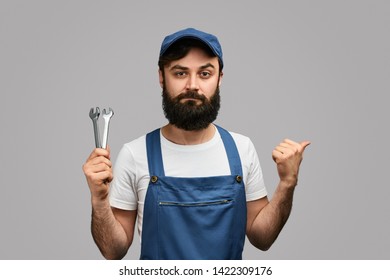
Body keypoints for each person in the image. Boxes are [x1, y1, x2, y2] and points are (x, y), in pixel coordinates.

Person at [82, 27, 310, 260]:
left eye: (205, 74)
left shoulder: (242, 149)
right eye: (180, 73)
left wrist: (287, 183)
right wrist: (99, 201)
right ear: (161, 77)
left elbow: (262, 238)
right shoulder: (135, 153)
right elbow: (113, 251)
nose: (192, 85)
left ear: (220, 78)